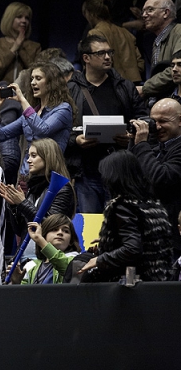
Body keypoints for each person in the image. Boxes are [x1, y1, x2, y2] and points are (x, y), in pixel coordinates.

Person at [66, 35, 147, 214]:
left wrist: (130, 136)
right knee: (90, 225)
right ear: (86, 58)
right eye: (101, 53)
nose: (108, 57)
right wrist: (76, 140)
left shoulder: (124, 87)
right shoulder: (71, 90)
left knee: (120, 226)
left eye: (110, 52)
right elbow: (60, 128)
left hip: (119, 171)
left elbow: (142, 118)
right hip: (86, 171)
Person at [78, 151, 174, 282]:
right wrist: (110, 244)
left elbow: (132, 249)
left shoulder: (122, 206)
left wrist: (100, 259)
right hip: (157, 283)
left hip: (131, 286)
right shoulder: (154, 205)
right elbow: (147, 243)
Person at [0, 62, 75, 177]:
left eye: (38, 78)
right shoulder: (31, 112)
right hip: (26, 175)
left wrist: (22, 100)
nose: (33, 83)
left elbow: (43, 130)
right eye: (32, 78)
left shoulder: (63, 109)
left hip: (50, 177)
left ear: (51, 83)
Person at [128, 98, 181, 256]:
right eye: (154, 121)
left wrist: (142, 144)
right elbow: (131, 177)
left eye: (163, 121)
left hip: (172, 238)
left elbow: (160, 178)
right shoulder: (158, 147)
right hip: (152, 235)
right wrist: (134, 142)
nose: (157, 127)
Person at [0, 139, 75, 241]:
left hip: (47, 253)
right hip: (27, 254)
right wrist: (14, 206)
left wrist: (23, 203)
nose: (28, 160)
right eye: (28, 156)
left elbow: (51, 226)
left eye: (34, 156)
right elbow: (20, 230)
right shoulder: (34, 187)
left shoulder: (62, 188)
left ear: (48, 158)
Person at [82, 0, 145, 83]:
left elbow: (94, 64)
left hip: (110, 86)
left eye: (85, 13)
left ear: (91, 14)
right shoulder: (126, 32)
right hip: (133, 84)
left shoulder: (94, 33)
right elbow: (140, 63)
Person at [7, 214, 81, 285]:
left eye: (66, 231)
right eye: (54, 229)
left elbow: (66, 267)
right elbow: (25, 296)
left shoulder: (75, 259)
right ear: (44, 235)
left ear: (71, 241)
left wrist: (40, 240)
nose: (60, 232)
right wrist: (16, 283)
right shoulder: (31, 266)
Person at [0, 2, 43, 83]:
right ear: (9, 19)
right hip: (1, 91)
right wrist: (14, 47)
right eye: (19, 17)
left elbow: (37, 73)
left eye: (27, 18)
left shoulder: (35, 46)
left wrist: (21, 48)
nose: (24, 21)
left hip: (25, 93)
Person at [139, 0, 181, 99]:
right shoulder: (158, 40)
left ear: (165, 13)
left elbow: (176, 69)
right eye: (143, 11)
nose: (144, 15)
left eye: (150, 10)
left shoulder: (179, 32)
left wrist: (145, 88)